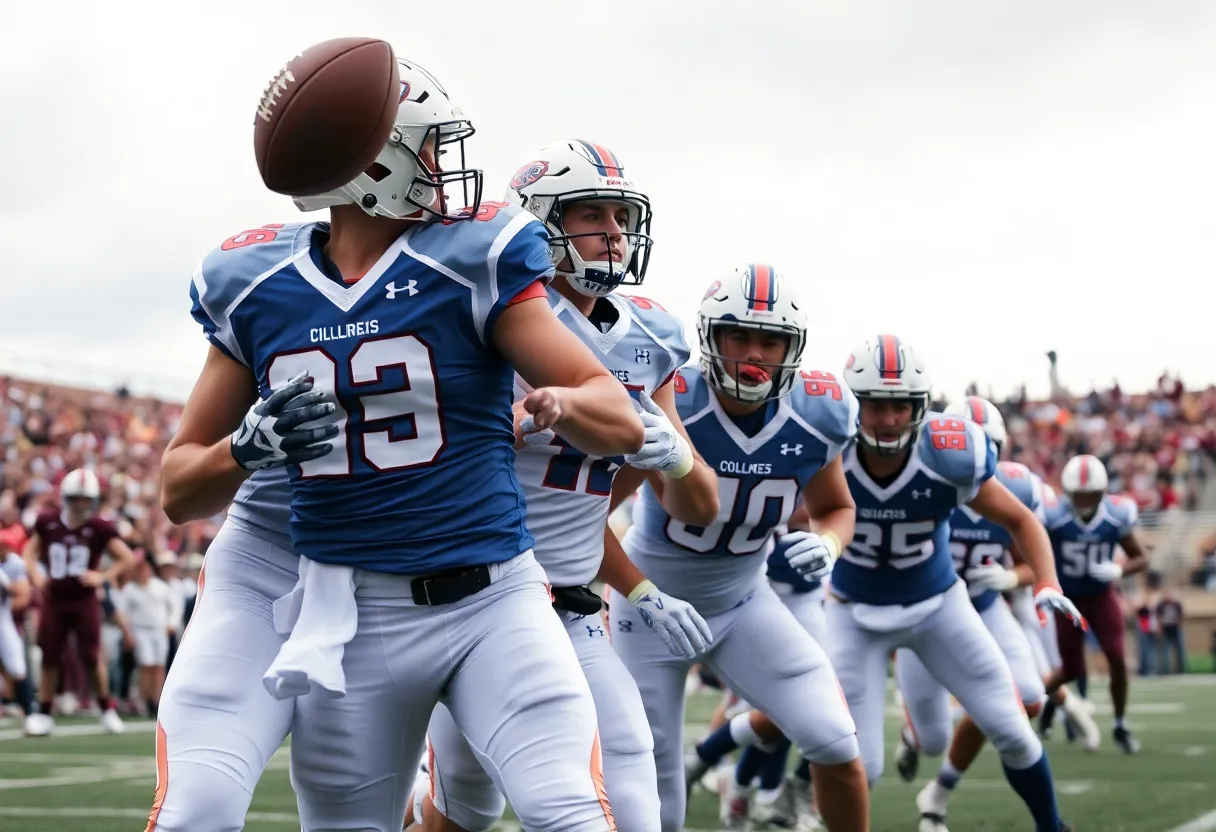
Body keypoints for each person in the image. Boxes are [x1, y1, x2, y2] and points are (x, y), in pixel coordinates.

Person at [153, 55, 642, 832]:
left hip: (493, 593)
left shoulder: (473, 256)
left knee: (573, 814)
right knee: (211, 814)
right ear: (370, 165)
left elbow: (615, 416)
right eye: (426, 147)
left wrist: (564, 402)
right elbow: (179, 491)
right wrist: (243, 450)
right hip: (350, 603)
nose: (444, 169)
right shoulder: (253, 281)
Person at [407, 139, 720, 832]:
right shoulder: (494, 319)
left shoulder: (649, 339)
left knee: (635, 801)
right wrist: (515, 422)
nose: (614, 232)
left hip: (574, 614)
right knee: (465, 812)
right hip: (477, 607)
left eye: (620, 215)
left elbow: (698, 506)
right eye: (593, 215)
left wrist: (672, 460)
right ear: (543, 222)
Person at [610, 268, 870, 832]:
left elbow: (837, 508)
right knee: (657, 802)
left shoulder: (816, 414)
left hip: (744, 601)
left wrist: (828, 542)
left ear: (792, 349)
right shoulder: (673, 397)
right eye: (739, 337)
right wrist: (639, 592)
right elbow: (587, 517)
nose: (755, 354)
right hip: (650, 609)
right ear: (710, 339)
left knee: (835, 741)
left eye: (771, 341)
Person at [825, 336, 1082, 832]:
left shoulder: (949, 456)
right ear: (854, 405)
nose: (888, 418)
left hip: (937, 605)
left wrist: (1046, 581)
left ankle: (1053, 827)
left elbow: (1023, 521)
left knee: (1013, 729)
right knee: (858, 761)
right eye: (875, 405)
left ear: (919, 406)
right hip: (853, 613)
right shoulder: (828, 448)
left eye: (900, 405)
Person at [890, 396, 1099, 830]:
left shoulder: (1018, 489)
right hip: (926, 612)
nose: (968, 458)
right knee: (932, 740)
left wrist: (1014, 579)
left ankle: (941, 793)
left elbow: (1028, 557)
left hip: (983, 608)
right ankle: (914, 735)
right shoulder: (917, 483)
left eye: (982, 446)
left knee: (1027, 699)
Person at [1042, 454, 1149, 754]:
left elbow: (1141, 557)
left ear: (1103, 492)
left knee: (1117, 657)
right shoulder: (1054, 516)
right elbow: (1034, 550)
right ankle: (1047, 702)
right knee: (1070, 669)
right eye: (1080, 494)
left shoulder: (1116, 514)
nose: (1086, 500)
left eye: (1092, 494)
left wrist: (1119, 569)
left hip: (1103, 596)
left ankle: (1120, 724)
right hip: (1067, 600)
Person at [22, 468, 134, 736]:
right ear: (66, 497)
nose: (82, 504)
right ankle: (45, 712)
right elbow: (29, 551)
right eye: (77, 498)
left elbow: (127, 558)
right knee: (50, 655)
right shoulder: (47, 521)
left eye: (86, 499)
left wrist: (102, 576)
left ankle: (106, 708)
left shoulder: (99, 528)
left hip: (84, 599)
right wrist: (36, 574)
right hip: (55, 598)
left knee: (93, 657)